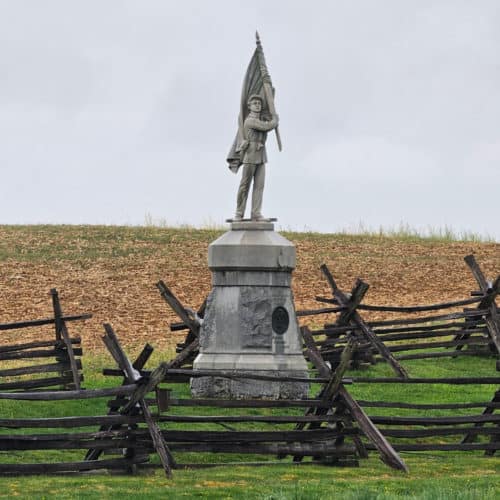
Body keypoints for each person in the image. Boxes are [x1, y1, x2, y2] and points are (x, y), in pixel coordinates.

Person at [233, 94, 279, 221]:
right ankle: (239, 212)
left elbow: (265, 125)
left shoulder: (261, 119)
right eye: (255, 103)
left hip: (261, 155)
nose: (258, 105)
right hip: (250, 154)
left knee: (259, 185)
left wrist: (270, 118)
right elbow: (266, 127)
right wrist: (274, 120)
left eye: (259, 103)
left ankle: (256, 213)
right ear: (250, 106)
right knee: (245, 185)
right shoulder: (250, 120)